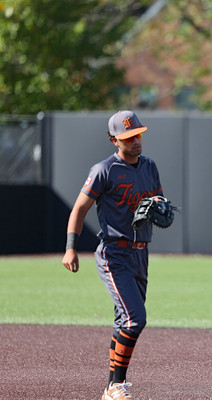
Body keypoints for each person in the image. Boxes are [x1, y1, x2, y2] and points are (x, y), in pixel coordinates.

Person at [62, 110, 165, 400]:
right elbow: (79, 209)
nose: (135, 141)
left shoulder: (150, 167)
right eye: (128, 137)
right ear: (113, 139)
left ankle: (112, 387)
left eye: (138, 134)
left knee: (125, 321)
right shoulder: (103, 170)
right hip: (113, 253)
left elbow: (158, 199)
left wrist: (159, 205)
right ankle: (115, 385)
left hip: (141, 253)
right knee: (135, 320)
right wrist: (71, 247)